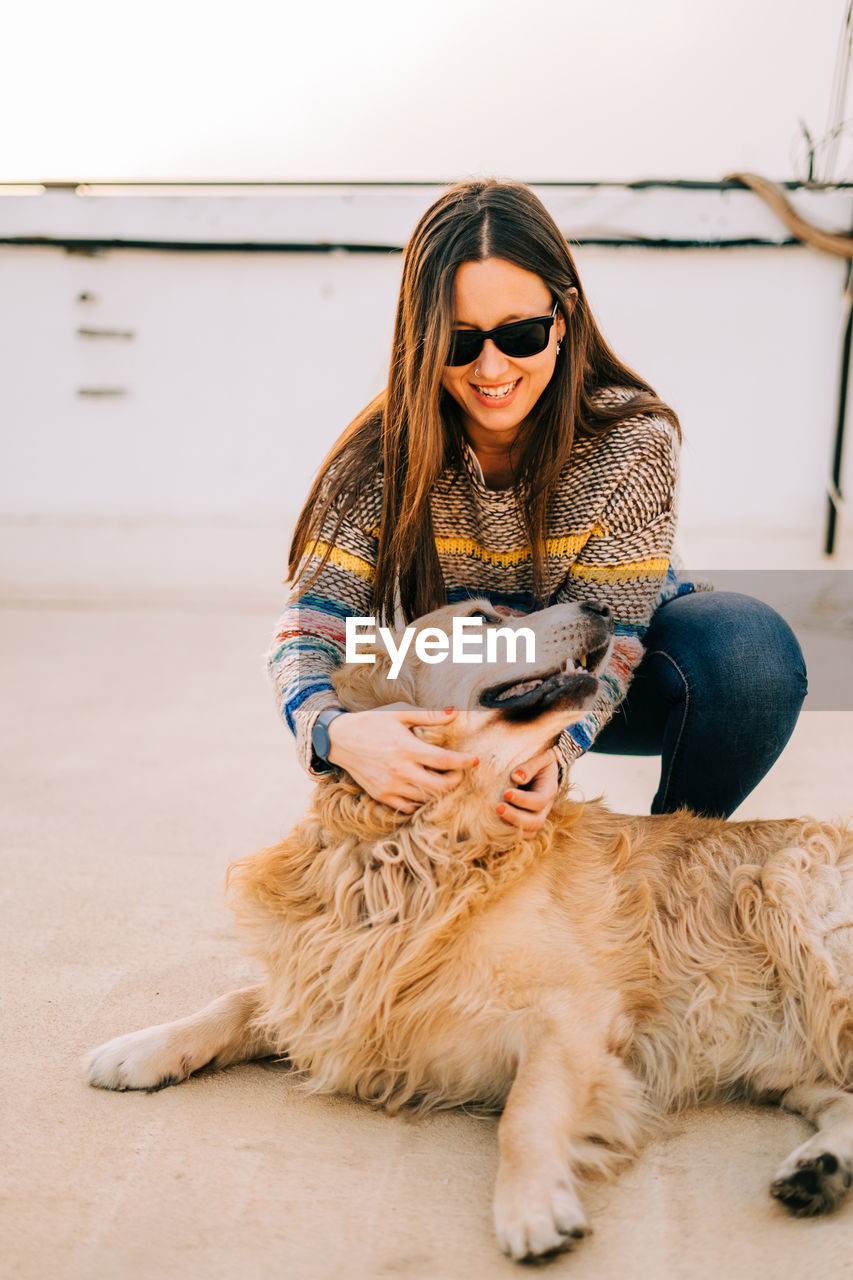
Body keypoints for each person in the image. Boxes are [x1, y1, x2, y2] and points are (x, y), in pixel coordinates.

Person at [268, 178, 807, 833]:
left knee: (747, 655)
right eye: (457, 341)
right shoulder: (377, 459)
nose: (490, 370)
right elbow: (310, 629)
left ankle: (676, 865)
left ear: (563, 316)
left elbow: (618, 638)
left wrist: (555, 749)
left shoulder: (632, 441)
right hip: (454, 692)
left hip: (600, 679)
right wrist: (336, 735)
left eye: (519, 333)